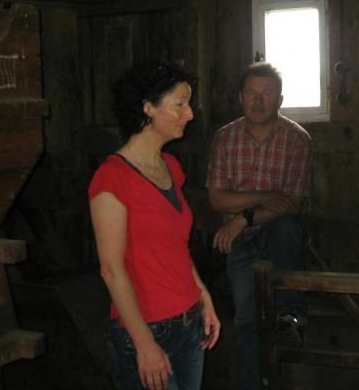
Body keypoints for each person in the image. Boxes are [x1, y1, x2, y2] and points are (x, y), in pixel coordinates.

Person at [89, 61, 220, 390]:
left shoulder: (171, 167)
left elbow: (177, 247)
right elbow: (111, 270)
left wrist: (203, 296)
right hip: (147, 330)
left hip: (189, 322)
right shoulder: (112, 178)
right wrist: (144, 344)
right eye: (180, 104)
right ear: (148, 108)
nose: (189, 114)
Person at [207, 62, 312, 390]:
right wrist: (266, 196)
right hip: (238, 240)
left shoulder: (297, 139)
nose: (257, 101)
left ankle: (290, 317)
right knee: (247, 320)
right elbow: (217, 199)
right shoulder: (225, 138)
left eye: (266, 94)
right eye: (251, 93)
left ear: (279, 100)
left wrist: (244, 216)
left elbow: (292, 204)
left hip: (277, 234)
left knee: (285, 227)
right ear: (240, 98)